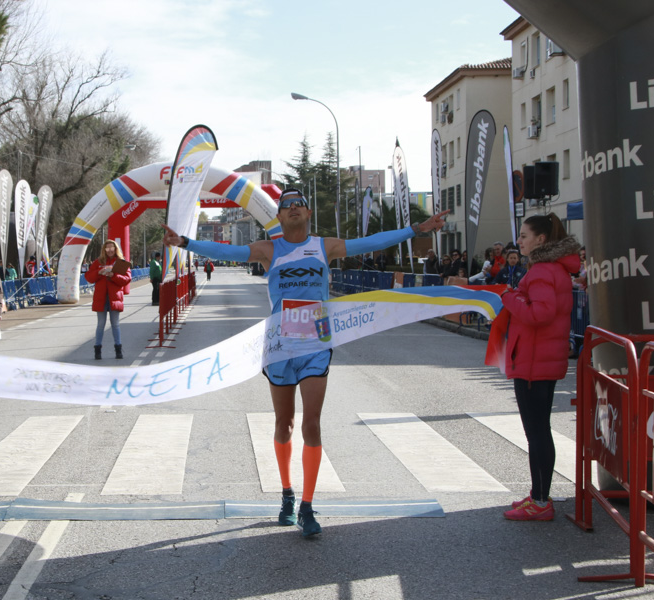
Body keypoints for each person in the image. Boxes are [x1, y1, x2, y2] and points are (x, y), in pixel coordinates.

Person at [163, 188, 449, 537]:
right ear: (279, 217)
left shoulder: (324, 246)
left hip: (316, 343)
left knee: (311, 425)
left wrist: (416, 230)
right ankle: (287, 494)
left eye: (299, 204)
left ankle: (309, 506)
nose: (293, 208)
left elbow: (370, 242)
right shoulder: (268, 250)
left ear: (308, 213)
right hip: (280, 346)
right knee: (284, 424)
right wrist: (185, 243)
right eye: (286, 206)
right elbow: (229, 251)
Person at [499, 213, 581, 521]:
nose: (519, 241)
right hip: (540, 359)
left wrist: (510, 298)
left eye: (523, 235)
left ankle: (541, 500)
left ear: (541, 240)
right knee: (538, 431)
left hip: (534, 362)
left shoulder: (543, 270)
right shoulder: (550, 269)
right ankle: (538, 495)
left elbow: (540, 314)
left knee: (537, 433)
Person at [85, 240, 131, 359]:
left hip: (115, 297)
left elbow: (127, 279)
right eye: (107, 248)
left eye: (112, 248)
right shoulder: (98, 262)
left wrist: (113, 275)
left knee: (115, 324)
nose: (110, 250)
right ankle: (97, 350)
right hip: (101, 297)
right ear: (104, 250)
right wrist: (99, 272)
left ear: (116, 249)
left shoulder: (121, 262)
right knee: (100, 324)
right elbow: (89, 277)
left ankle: (118, 349)